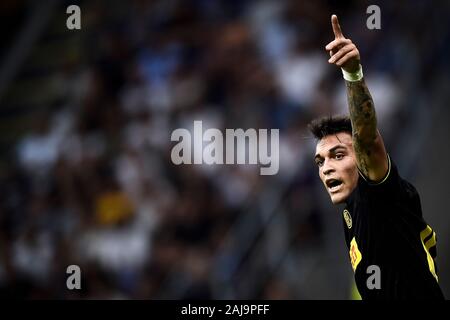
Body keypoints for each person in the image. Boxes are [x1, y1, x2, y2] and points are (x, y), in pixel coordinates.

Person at [308, 15, 445, 300]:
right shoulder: (351, 214)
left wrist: (353, 74)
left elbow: (367, 139)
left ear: (361, 159)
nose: (327, 168)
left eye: (337, 155)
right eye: (321, 162)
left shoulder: (380, 195)